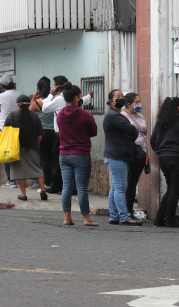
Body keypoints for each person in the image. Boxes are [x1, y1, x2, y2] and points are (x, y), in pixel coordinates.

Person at [38, 75, 93, 194]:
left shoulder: (58, 99)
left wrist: (50, 95)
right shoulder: (75, 100)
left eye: (53, 86)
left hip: (60, 135)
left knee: (58, 162)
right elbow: (83, 100)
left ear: (58, 87)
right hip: (74, 136)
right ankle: (70, 187)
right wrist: (89, 96)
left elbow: (44, 108)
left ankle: (57, 186)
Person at [56, 82, 98, 226]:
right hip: (81, 154)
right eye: (80, 96)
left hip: (64, 154)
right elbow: (94, 132)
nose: (81, 98)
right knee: (81, 188)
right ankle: (86, 219)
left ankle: (67, 218)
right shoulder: (85, 115)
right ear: (76, 98)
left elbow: (61, 131)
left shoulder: (60, 114)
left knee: (66, 187)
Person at [149, 97, 179, 227]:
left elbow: (153, 140)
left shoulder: (160, 123)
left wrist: (161, 151)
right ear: (178, 108)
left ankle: (159, 218)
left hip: (164, 158)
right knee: (175, 189)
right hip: (177, 158)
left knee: (170, 188)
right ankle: (170, 219)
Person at [103, 89, 141, 226]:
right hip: (117, 156)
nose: (121, 98)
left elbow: (131, 132)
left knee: (115, 187)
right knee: (120, 187)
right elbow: (133, 130)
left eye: (122, 96)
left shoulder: (115, 115)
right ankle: (124, 217)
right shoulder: (115, 116)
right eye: (118, 97)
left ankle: (114, 216)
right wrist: (131, 132)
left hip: (115, 155)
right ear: (111, 101)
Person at [3, 95, 48, 201]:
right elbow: (40, 133)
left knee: (20, 172)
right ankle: (43, 190)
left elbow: (5, 129)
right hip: (33, 148)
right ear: (29, 104)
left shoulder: (12, 114)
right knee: (37, 170)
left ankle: (23, 194)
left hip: (16, 149)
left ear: (18, 105)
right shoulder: (35, 116)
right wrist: (37, 144)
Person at [0, 74, 24, 187]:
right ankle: (20, 178)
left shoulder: (0, 96)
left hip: (3, 128)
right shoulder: (21, 93)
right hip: (18, 128)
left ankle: (10, 180)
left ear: (2, 85)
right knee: (17, 153)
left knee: (6, 154)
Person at [122, 92, 148, 217]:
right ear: (129, 104)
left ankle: (129, 210)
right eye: (136, 102)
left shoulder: (141, 117)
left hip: (141, 154)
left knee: (133, 183)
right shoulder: (123, 117)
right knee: (126, 183)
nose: (139, 104)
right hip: (128, 153)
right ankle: (123, 211)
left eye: (139, 101)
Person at [29, 77, 55, 189]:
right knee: (53, 158)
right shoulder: (54, 101)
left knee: (44, 158)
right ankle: (54, 181)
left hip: (41, 133)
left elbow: (28, 113)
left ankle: (47, 182)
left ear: (39, 89)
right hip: (54, 132)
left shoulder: (37, 103)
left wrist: (33, 99)